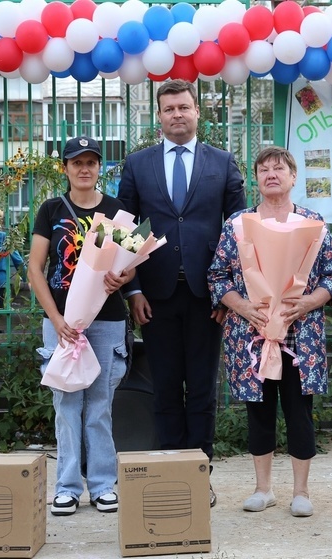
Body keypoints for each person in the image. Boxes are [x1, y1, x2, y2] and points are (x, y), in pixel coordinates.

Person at [117, 79, 245, 507]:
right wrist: (132, 289)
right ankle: (171, 471)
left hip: (208, 298)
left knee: (204, 391)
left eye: (184, 107)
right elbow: (127, 230)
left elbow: (239, 234)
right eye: (169, 108)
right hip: (155, 296)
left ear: (197, 112)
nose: (177, 114)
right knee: (167, 388)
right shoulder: (138, 165)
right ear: (159, 115)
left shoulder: (223, 163)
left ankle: (198, 475)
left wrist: (230, 295)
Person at [207, 147, 332, 517]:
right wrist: (244, 306)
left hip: (301, 334)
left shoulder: (312, 222)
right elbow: (217, 275)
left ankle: (301, 492)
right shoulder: (238, 223)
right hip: (252, 333)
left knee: (300, 409)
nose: (271, 174)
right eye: (263, 168)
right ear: (256, 178)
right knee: (259, 409)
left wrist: (308, 302)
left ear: (293, 176)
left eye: (279, 168)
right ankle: (262, 488)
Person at [28, 135, 134, 516]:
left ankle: (104, 484)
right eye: (77, 162)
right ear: (66, 168)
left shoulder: (115, 209)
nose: (84, 168)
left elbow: (129, 261)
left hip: (106, 320)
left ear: (99, 168)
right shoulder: (51, 209)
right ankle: (68, 487)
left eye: (91, 162)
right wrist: (56, 320)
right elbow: (35, 270)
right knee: (67, 403)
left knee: (101, 404)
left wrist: (123, 277)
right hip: (63, 324)